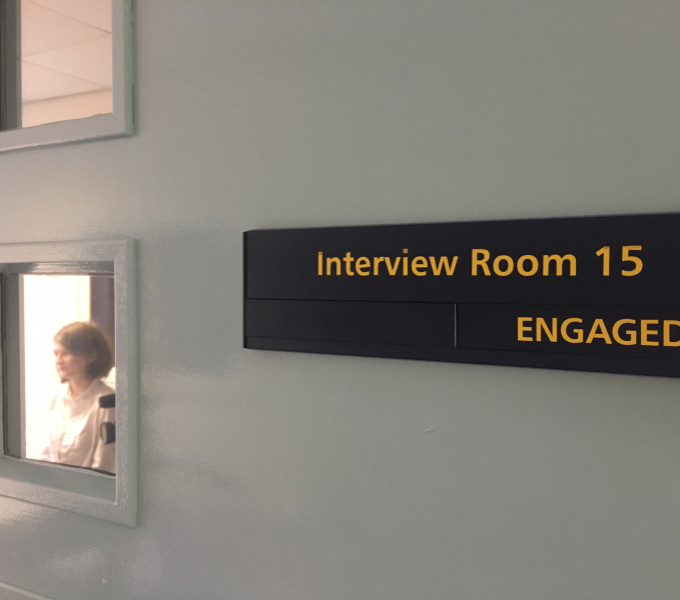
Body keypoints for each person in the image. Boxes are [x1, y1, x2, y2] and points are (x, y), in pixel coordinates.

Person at [40, 321, 116, 474]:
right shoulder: (57, 397)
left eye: (66, 353)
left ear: (90, 357)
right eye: (56, 353)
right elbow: (48, 454)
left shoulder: (107, 402)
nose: (58, 360)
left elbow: (103, 464)